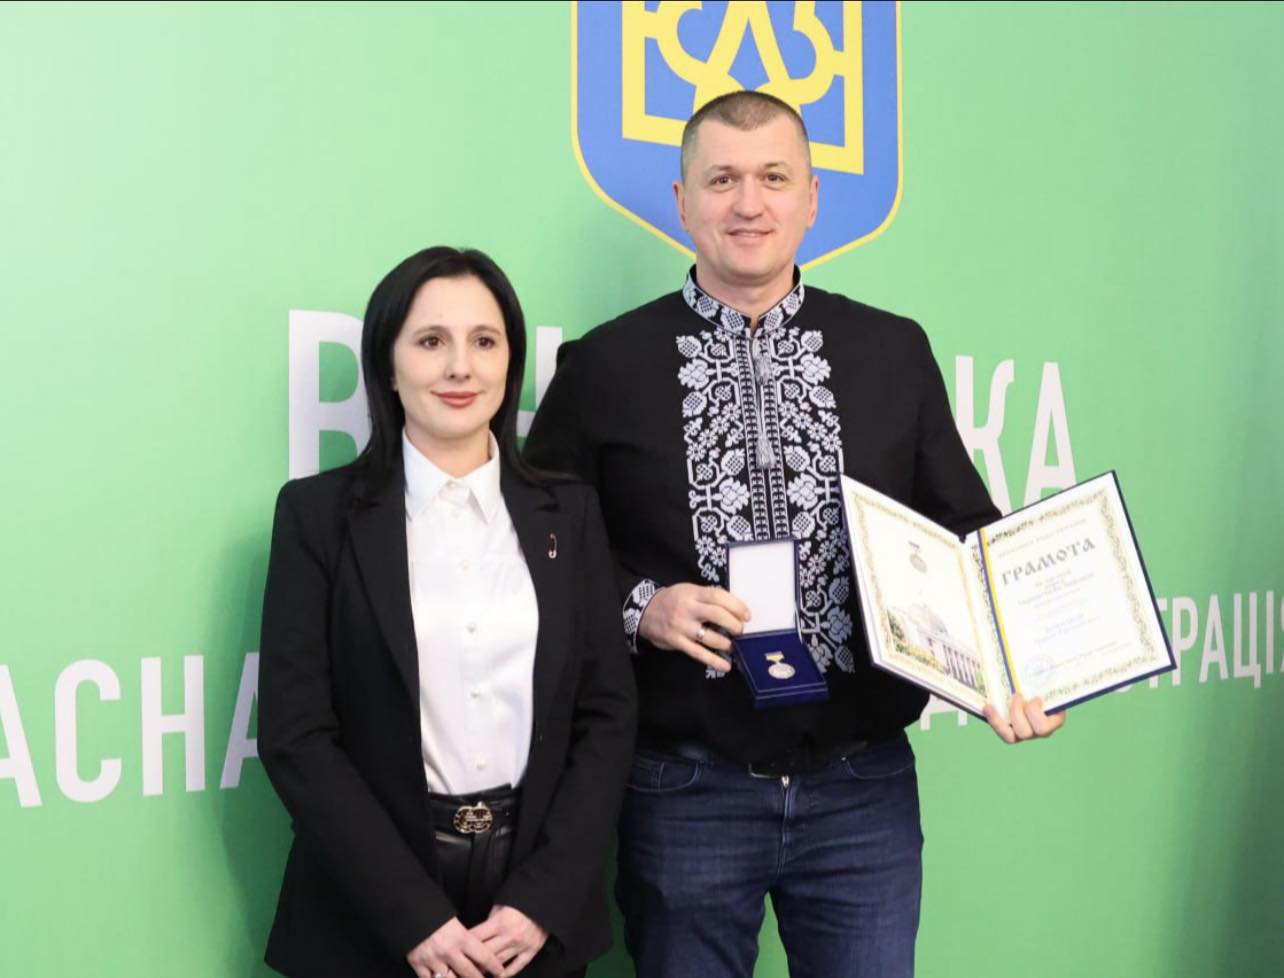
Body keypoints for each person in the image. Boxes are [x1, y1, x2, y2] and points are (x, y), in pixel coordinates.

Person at [525, 92, 1065, 978]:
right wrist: (641, 607)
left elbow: (964, 528)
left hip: (862, 787)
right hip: (683, 787)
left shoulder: (892, 352)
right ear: (682, 202)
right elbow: (541, 548)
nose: (749, 203)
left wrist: (1019, 663)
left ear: (812, 199)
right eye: (722, 181)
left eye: (774, 178)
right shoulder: (604, 364)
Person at [258, 246, 636, 978]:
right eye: (431, 341)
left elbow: (607, 715)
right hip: (369, 918)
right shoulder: (317, 517)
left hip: (531, 922)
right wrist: (414, 918)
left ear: (510, 362)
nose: (461, 367)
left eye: (484, 341)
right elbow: (296, 737)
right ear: (388, 365)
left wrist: (543, 899)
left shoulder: (570, 513)